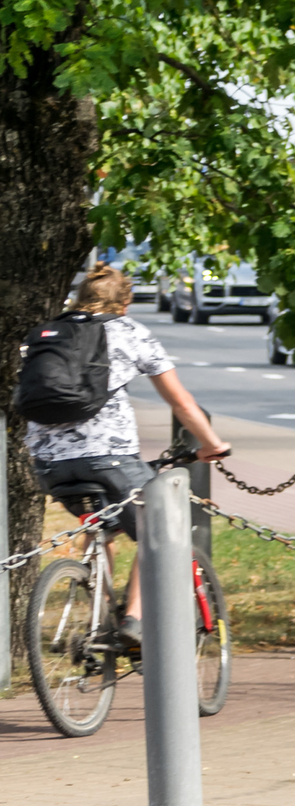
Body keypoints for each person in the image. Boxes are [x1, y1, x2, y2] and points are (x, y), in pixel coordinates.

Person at [28, 264, 231, 654]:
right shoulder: (130, 331)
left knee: (102, 523)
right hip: (109, 458)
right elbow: (182, 403)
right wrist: (213, 444)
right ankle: (133, 622)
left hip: (47, 463)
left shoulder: (48, 332)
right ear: (126, 301)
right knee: (159, 527)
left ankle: (97, 619)